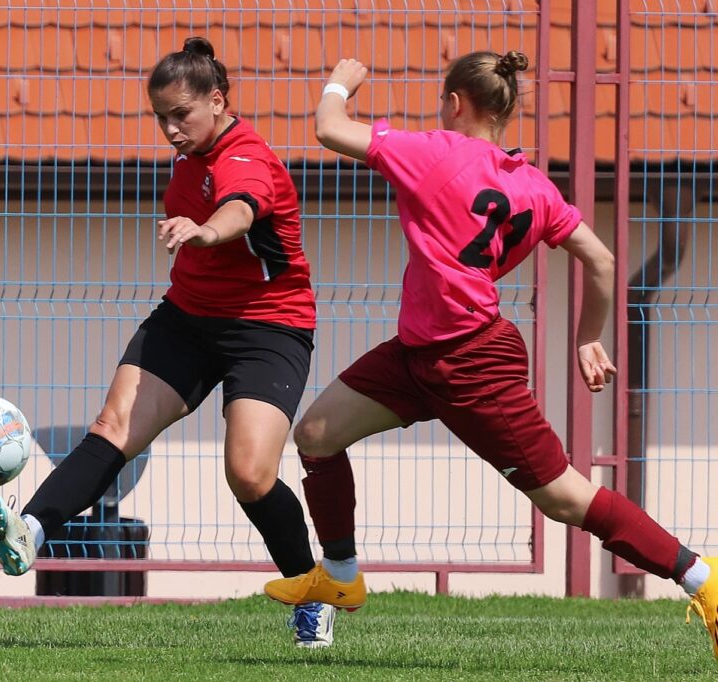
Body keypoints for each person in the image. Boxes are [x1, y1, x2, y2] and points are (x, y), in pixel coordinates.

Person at [263, 50, 718, 659]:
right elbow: (602, 260)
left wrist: (337, 85)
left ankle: (703, 580)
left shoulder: (432, 151)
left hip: (473, 362)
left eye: (441, 102)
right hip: (417, 354)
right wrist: (588, 335)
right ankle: (341, 579)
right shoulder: (533, 184)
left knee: (563, 497)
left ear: (455, 103)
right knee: (317, 434)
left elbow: (329, 128)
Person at [0, 37, 335, 648]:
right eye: (161, 118)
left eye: (181, 115)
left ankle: (310, 591)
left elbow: (242, 210)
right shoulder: (190, 153)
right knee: (112, 427)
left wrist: (206, 230)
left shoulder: (246, 157)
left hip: (268, 329)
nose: (170, 129)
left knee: (250, 474)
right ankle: (28, 532)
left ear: (218, 101)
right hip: (187, 319)